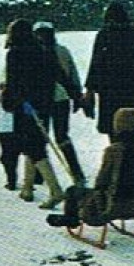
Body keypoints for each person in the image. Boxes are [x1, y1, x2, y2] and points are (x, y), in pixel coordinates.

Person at [46, 107, 134, 230]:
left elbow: (102, 181)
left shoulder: (115, 150)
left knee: (73, 191)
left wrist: (95, 201)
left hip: (117, 205)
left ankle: (71, 220)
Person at [0, 18, 67, 209]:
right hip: (44, 104)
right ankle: (27, 187)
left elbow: (13, 82)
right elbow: (54, 74)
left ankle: (55, 190)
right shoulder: (42, 50)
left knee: (34, 148)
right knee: (33, 144)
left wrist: (11, 100)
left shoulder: (15, 54)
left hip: (25, 106)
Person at [84, 1, 134, 135]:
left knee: (112, 127)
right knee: (133, 127)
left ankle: (117, 154)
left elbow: (96, 63)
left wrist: (90, 88)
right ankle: (133, 154)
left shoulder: (104, 35)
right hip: (133, 89)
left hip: (110, 90)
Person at [36, 20, 87, 186]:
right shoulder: (62, 51)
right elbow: (73, 75)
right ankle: (76, 172)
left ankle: (39, 174)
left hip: (40, 100)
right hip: (61, 98)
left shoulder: (32, 52)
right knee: (62, 136)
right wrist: (77, 96)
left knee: (40, 137)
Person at [0, 83, 21, 190]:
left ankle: (11, 181)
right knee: (20, 154)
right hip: (20, 127)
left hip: (4, 128)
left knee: (6, 155)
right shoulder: (21, 94)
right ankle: (33, 180)